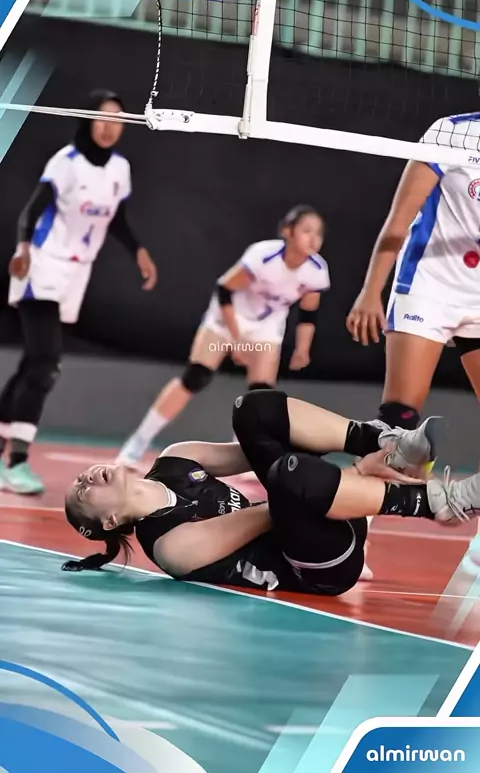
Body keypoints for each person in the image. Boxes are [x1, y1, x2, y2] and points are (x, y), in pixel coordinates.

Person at [62, 390, 474, 596]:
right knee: (289, 475)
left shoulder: (176, 458)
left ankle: (388, 442)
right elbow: (271, 512)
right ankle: (438, 502)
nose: (83, 479)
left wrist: (362, 456)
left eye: (78, 479)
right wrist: (360, 474)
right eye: (81, 494)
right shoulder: (170, 547)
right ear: (110, 522)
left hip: (314, 508)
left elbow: (268, 446)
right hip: (319, 566)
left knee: (251, 409)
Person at [0, 89, 157, 495]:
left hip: (77, 274)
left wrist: (138, 250)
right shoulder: (66, 162)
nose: (109, 127)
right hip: (41, 264)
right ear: (88, 121)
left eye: (117, 120)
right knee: (46, 364)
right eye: (103, 118)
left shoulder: (120, 169)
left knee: (34, 362)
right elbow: (31, 211)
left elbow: (116, 218)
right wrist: (22, 249)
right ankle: (16, 461)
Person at [346, 112, 480, 572]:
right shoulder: (452, 132)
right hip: (429, 285)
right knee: (398, 422)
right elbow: (398, 220)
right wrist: (371, 291)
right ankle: (353, 535)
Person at [116, 205, 329, 467]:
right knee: (196, 376)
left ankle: (240, 454)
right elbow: (225, 289)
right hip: (228, 317)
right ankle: (138, 442)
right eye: (306, 230)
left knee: (261, 394)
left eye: (319, 233)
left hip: (265, 326)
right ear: (288, 231)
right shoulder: (263, 257)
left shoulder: (316, 270)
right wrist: (237, 340)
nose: (313, 238)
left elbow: (308, 313)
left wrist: (303, 348)